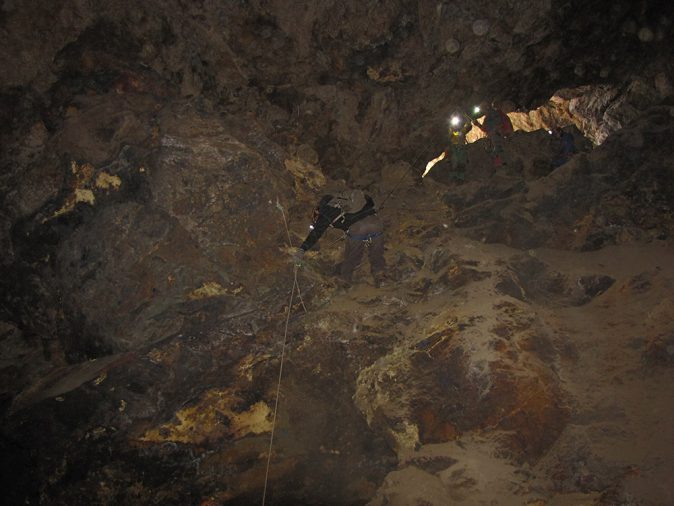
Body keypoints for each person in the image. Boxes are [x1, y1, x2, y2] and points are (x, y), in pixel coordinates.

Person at [293, 189, 387, 287]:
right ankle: (380, 275)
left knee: (352, 255)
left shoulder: (326, 211)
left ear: (317, 210)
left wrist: (302, 249)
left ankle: (345, 279)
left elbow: (316, 232)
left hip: (358, 228)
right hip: (375, 223)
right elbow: (369, 201)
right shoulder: (346, 200)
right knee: (377, 252)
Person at [473, 101, 513, 168]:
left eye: (483, 109)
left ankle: (500, 165)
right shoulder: (499, 114)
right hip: (502, 135)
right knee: (498, 150)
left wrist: (477, 124)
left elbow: (486, 128)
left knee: (497, 150)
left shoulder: (491, 116)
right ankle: (502, 164)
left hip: (498, 136)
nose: (483, 111)